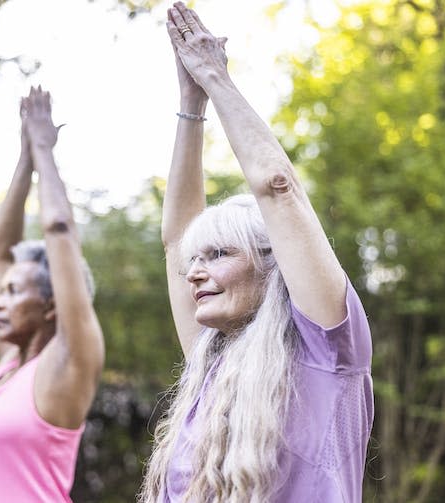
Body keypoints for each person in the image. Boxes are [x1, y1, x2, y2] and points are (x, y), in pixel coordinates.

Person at [139, 3, 373, 502]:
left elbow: (278, 188)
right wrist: (190, 104)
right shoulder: (214, 358)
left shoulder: (326, 353)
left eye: (218, 253)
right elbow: (176, 241)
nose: (194, 273)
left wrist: (216, 80)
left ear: (273, 266)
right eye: (195, 262)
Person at [0, 86, 105, 502]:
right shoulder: (10, 364)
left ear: (53, 306)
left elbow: (59, 230)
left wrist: (43, 148)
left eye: (14, 292)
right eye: (2, 292)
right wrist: (23, 161)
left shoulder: (68, 363)